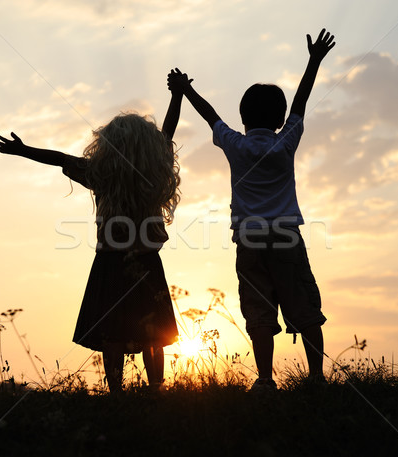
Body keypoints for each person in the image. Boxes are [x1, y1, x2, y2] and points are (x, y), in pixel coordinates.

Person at [168, 28, 335, 389]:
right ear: (278, 120)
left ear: (243, 118)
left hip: (249, 241)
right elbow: (301, 103)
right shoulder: (285, 143)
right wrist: (313, 61)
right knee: (303, 307)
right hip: (286, 238)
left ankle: (263, 380)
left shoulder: (235, 145)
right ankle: (317, 377)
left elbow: (210, 115)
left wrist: (185, 89)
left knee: (258, 311)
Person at [0, 81, 185, 392]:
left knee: (112, 333)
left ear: (109, 146)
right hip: (148, 262)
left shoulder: (101, 174)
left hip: (109, 263)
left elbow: (59, 158)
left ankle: (116, 394)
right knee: (153, 334)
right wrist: (177, 95)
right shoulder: (154, 171)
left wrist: (23, 150)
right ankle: (156, 390)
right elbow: (168, 134)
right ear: (149, 146)